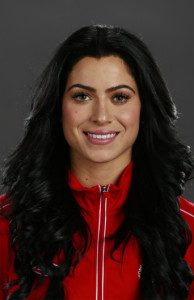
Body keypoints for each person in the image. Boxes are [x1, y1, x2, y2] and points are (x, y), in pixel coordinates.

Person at [0, 24, 194, 300]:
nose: (101, 115)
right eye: (82, 96)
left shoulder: (189, 230)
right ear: (58, 108)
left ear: (144, 109)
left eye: (119, 97)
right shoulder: (6, 226)